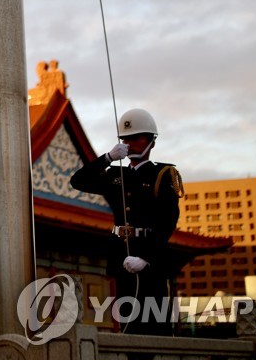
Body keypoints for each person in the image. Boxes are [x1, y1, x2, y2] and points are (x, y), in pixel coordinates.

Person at [69, 107, 184, 335]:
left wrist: (146, 257)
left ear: (151, 142)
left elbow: (168, 221)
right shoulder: (115, 175)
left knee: (153, 324)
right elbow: (78, 181)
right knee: (128, 324)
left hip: (149, 260)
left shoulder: (162, 175)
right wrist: (108, 158)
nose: (131, 143)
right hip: (121, 256)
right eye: (126, 138)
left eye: (137, 138)